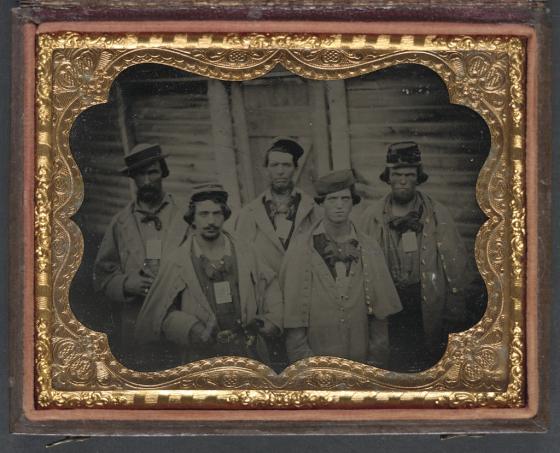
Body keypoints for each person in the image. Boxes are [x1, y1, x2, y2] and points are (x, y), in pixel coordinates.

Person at [134, 184, 283, 365]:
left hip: (248, 352)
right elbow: (161, 313)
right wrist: (192, 329)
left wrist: (268, 322)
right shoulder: (178, 261)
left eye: (216, 213)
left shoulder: (246, 252)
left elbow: (270, 285)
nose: (210, 221)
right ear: (192, 219)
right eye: (203, 214)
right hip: (201, 357)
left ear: (224, 216)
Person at [360, 141, 469, 372]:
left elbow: (456, 266)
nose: (402, 180)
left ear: (418, 177)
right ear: (387, 177)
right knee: (391, 363)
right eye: (397, 174)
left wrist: (454, 310)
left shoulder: (437, 214)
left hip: (425, 302)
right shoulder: (371, 217)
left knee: (424, 363)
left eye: (409, 175)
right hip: (388, 303)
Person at [281, 170, 402, 366]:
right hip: (318, 361)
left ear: (353, 202)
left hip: (361, 359)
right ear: (321, 203)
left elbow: (381, 318)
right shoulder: (301, 249)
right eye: (332, 199)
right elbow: (294, 325)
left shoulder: (369, 247)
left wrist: (374, 363)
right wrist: (308, 367)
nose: (339, 205)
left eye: (345, 199)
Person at [93, 143, 189, 370]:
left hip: (182, 316)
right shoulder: (120, 223)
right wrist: (127, 284)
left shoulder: (186, 214)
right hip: (137, 321)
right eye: (139, 174)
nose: (146, 180)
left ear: (163, 172)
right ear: (133, 178)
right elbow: (102, 277)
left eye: (152, 172)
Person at [235, 137, 320, 370]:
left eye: (286, 165)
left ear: (295, 168)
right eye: (274, 165)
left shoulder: (313, 210)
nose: (280, 171)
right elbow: (241, 263)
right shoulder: (249, 214)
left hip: (304, 309)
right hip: (267, 313)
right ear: (266, 170)